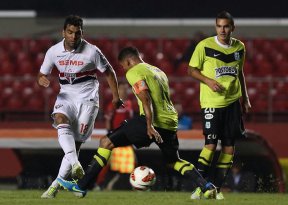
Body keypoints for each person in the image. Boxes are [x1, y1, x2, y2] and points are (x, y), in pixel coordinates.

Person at [57, 46, 217, 199]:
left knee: (105, 142)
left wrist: (149, 125)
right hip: (170, 122)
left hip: (151, 121)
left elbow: (145, 98)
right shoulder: (158, 71)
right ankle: (206, 186)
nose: (125, 70)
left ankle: (81, 186)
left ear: (127, 62)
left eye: (123, 66)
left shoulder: (134, 71)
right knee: (174, 161)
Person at [37, 15, 122, 198]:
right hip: (66, 96)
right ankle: (76, 164)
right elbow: (41, 74)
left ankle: (55, 185)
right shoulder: (53, 51)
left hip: (88, 99)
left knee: (76, 143)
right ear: (63, 32)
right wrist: (42, 79)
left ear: (82, 33)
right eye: (70, 32)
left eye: (77, 33)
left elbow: (109, 72)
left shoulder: (92, 51)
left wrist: (116, 96)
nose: (73, 37)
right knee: (60, 119)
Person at [188, 11, 251, 200]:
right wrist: (207, 81)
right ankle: (200, 187)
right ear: (216, 27)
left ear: (232, 28)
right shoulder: (204, 46)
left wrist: (245, 98)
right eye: (219, 26)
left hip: (233, 103)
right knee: (210, 144)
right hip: (211, 104)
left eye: (226, 26)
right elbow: (191, 70)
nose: (222, 30)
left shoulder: (240, 47)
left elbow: (240, 73)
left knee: (229, 148)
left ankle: (216, 189)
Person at [95, 82, 136, 190]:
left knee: (130, 162)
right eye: (122, 89)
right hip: (116, 137)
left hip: (126, 138)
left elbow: (130, 121)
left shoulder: (129, 103)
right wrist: (111, 135)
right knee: (108, 162)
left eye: (126, 89)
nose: (124, 91)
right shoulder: (114, 103)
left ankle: (134, 184)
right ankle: (99, 184)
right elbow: (108, 120)